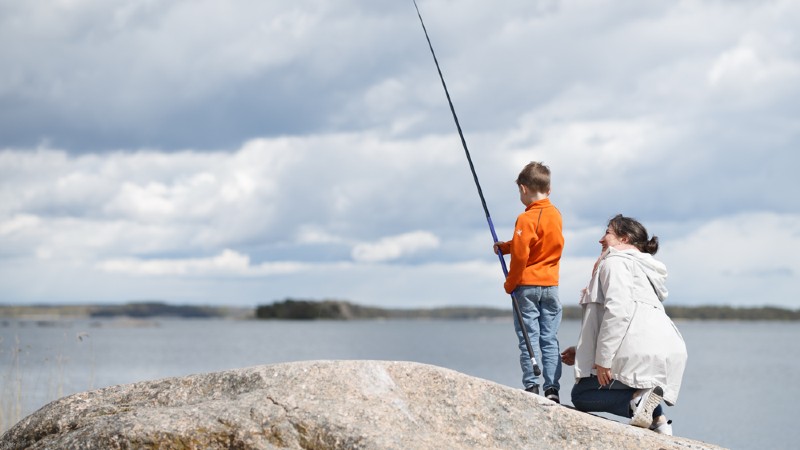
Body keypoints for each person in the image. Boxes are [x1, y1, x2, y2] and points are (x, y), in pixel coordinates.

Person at [560, 214, 687, 436]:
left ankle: (636, 404)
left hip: (639, 350)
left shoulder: (615, 262)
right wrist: (582, 353)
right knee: (639, 389)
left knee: (582, 394)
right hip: (665, 349)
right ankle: (658, 421)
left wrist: (603, 360)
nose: (601, 239)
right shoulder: (643, 269)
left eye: (607, 233)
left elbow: (618, 312)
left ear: (624, 239)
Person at [494, 161, 564, 403]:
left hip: (527, 287)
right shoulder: (556, 215)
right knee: (549, 338)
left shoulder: (525, 218)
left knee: (528, 338)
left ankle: (532, 385)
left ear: (523, 189)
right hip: (551, 286)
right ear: (549, 190)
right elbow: (537, 243)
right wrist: (505, 247)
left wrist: (510, 283)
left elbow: (523, 254)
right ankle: (552, 388)